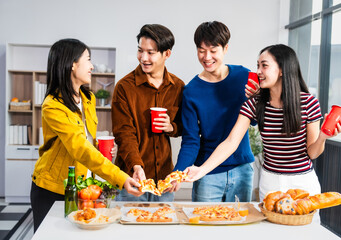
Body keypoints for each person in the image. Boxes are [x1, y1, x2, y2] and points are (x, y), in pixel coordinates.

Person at [184, 44, 341, 202]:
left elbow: (312, 153)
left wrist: (322, 137)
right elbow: (231, 142)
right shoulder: (254, 104)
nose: (258, 71)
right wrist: (201, 170)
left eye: (264, 66)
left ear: (282, 70)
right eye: (257, 65)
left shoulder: (308, 103)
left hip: (302, 183)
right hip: (270, 183)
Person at [30, 39, 142, 232]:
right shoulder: (53, 105)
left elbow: (88, 139)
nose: (91, 66)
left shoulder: (87, 98)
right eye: (88, 60)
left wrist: (102, 148)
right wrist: (120, 177)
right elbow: (79, 147)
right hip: (53, 189)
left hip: (83, 185)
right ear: (73, 64)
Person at [171, 21, 258, 202]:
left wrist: (258, 100)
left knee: (241, 225)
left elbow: (255, 121)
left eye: (213, 50)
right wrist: (178, 172)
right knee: (204, 226)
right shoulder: (191, 91)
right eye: (201, 50)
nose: (207, 56)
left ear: (225, 49)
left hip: (242, 169)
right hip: (208, 172)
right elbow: (191, 140)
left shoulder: (243, 76)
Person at [112, 24, 185, 202]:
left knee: (163, 226)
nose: (143, 58)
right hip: (131, 179)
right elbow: (124, 133)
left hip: (164, 180)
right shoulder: (124, 87)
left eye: (150, 52)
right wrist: (136, 167)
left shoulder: (178, 87)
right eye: (140, 51)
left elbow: (185, 127)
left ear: (167, 54)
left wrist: (171, 127)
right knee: (128, 227)